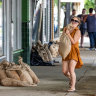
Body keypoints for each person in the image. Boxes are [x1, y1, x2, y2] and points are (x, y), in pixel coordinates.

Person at [62, 16, 83, 92]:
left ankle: (73, 87)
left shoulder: (78, 31)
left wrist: (68, 34)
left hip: (73, 51)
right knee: (64, 71)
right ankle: (72, 79)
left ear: (78, 24)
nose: (74, 21)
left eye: (76, 21)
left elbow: (74, 42)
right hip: (66, 51)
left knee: (71, 70)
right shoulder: (66, 29)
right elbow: (63, 39)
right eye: (72, 20)